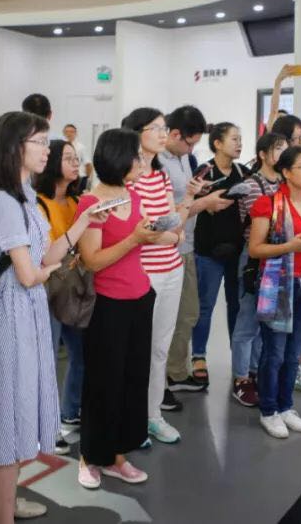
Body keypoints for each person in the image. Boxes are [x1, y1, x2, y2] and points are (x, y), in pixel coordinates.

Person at [0, 112, 104, 523]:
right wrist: (47, 272)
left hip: (26, 312)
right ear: (16, 147)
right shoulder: (2, 201)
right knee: (9, 420)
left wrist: (83, 222)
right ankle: (1, 515)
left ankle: (4, 506)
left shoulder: (26, 196)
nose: (48, 150)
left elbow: (45, 255)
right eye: (41, 142)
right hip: (10, 314)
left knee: (18, 412)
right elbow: (29, 274)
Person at [75, 128, 161, 490]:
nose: (141, 162)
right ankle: (90, 455)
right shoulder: (91, 203)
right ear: (118, 158)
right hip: (107, 304)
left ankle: (117, 456)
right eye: (136, 156)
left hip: (140, 296)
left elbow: (147, 235)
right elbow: (92, 260)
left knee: (132, 380)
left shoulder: (134, 195)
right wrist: (135, 239)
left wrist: (169, 228)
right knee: (103, 381)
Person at [249, 146, 301, 439]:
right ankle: (268, 410)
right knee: (274, 352)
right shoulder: (268, 204)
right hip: (278, 285)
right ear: (286, 172)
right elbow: (255, 249)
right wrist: (289, 247)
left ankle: (286, 406)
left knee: (294, 352)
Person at [121, 108, 186, 445]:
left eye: (165, 128)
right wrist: (170, 234)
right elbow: (143, 231)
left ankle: (152, 415)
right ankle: (131, 419)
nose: (163, 134)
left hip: (172, 269)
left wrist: (172, 232)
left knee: (160, 349)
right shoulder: (126, 177)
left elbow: (171, 221)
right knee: (137, 351)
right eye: (156, 128)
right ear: (136, 133)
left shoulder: (160, 175)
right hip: (144, 274)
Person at [161, 105, 232, 399]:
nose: (192, 149)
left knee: (188, 313)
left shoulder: (183, 158)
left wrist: (199, 193)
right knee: (167, 320)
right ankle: (163, 380)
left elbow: (184, 198)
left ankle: (176, 373)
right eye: (190, 143)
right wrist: (204, 203)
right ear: (175, 134)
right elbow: (166, 216)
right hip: (168, 248)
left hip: (186, 245)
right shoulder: (157, 164)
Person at [34, 140, 86, 454]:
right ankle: (47, 426)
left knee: (80, 353)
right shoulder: (38, 204)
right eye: (68, 158)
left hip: (75, 287)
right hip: (48, 288)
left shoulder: (77, 201)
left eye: (76, 158)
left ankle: (70, 409)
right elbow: (45, 255)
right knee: (48, 359)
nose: (76, 163)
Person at [230, 132, 286, 407]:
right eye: (277, 149)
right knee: (247, 321)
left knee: (266, 320)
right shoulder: (251, 185)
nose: (283, 154)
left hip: (279, 256)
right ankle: (241, 379)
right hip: (254, 257)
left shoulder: (286, 183)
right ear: (263, 154)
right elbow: (266, 223)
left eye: (285, 149)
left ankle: (255, 372)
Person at [192, 122, 248, 380]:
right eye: (234, 139)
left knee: (237, 306)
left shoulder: (243, 172)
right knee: (205, 305)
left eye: (240, 139)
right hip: (208, 251)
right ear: (217, 143)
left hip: (237, 251)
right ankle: (198, 356)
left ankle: (238, 359)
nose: (239, 143)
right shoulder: (203, 172)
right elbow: (189, 203)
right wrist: (205, 203)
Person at [62, 123, 93, 191]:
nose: (69, 134)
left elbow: (88, 164)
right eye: (67, 132)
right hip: (65, 178)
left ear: (76, 133)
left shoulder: (81, 147)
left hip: (79, 179)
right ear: (63, 133)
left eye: (71, 132)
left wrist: (87, 178)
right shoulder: (60, 147)